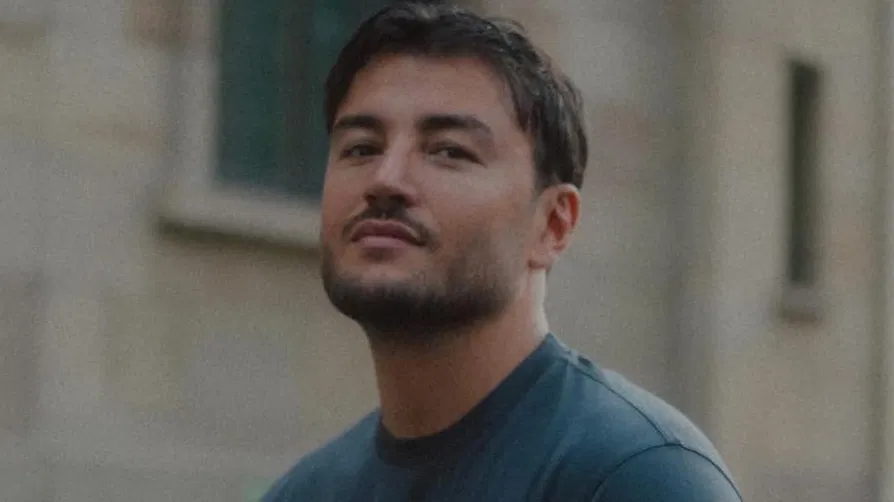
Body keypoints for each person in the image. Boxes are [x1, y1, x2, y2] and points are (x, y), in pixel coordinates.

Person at [264, 3, 742, 501]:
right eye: (362, 148)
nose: (385, 180)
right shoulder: (303, 493)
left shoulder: (638, 474)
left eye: (449, 150)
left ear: (552, 224)